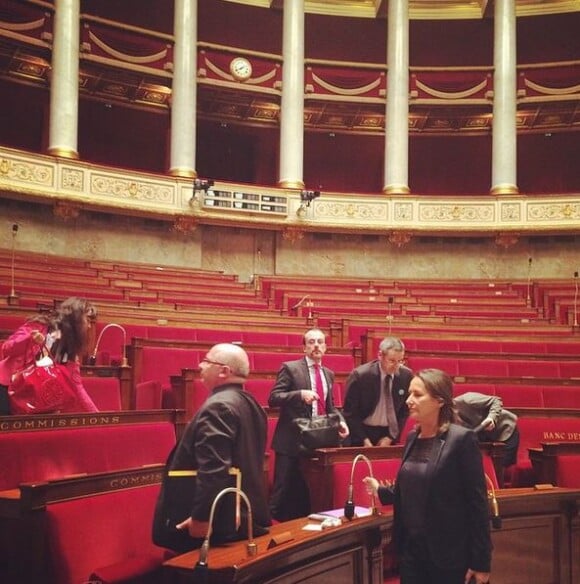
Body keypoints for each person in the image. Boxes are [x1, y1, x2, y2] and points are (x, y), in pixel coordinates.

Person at [364, 369, 492, 584]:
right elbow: (411, 485)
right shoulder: (413, 436)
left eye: (417, 395)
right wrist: (380, 490)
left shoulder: (461, 440)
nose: (409, 400)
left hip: (449, 556)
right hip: (412, 553)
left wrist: (481, 561)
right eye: (409, 394)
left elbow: (477, 504)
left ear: (439, 401)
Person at [153, 343, 271, 553]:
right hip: (242, 516)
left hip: (219, 525)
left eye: (207, 361)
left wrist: (201, 517)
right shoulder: (252, 404)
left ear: (224, 371)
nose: (200, 366)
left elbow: (214, 468)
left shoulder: (218, 407)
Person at [268, 328, 349, 521]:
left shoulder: (328, 374)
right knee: (281, 492)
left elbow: (330, 407)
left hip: (316, 441)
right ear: (304, 347)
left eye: (320, 342)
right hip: (291, 442)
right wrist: (299, 395)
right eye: (311, 342)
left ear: (326, 347)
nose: (316, 346)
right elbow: (273, 398)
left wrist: (341, 421)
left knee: (308, 493)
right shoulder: (291, 368)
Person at [0, 297, 99, 415]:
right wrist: (29, 339)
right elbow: (7, 348)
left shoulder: (69, 347)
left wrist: (97, 415)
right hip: (6, 387)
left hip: (32, 395)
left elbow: (77, 387)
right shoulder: (38, 326)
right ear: (75, 318)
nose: (89, 326)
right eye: (87, 320)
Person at [343, 337, 412, 446]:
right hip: (362, 432)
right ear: (380, 355)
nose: (396, 366)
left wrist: (391, 437)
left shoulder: (406, 376)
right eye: (392, 361)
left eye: (400, 361)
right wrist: (363, 439)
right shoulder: (361, 376)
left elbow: (404, 411)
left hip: (389, 432)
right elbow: (350, 413)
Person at [454, 390, 520, 469]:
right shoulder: (447, 419)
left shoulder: (467, 399)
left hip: (506, 431)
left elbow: (496, 400)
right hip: (485, 438)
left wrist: (491, 418)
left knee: (502, 469)